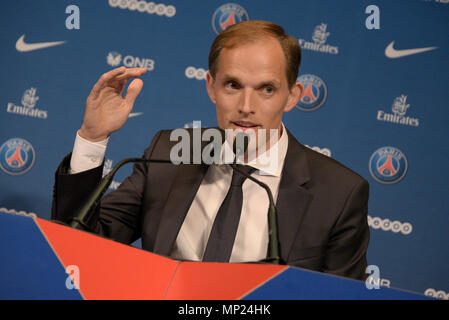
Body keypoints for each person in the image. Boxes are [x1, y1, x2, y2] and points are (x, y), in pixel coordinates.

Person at [52, 21, 370, 281]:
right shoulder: (173, 153)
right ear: (211, 87)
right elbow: (81, 245)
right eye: (233, 85)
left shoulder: (338, 194)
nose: (247, 107)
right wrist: (93, 138)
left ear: (292, 96)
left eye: (267, 89)